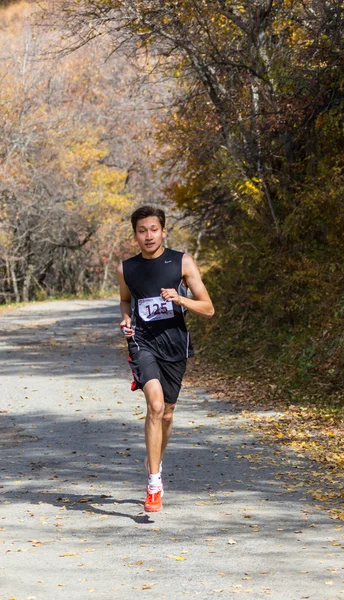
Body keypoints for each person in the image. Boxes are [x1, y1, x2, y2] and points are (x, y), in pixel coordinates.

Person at [116, 205, 214, 512]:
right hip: (142, 342)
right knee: (155, 405)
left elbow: (208, 307)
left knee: (168, 413)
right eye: (142, 231)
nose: (148, 236)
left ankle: (154, 459)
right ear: (135, 235)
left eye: (153, 229)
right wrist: (125, 319)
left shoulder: (181, 261)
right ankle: (154, 483)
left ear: (164, 231)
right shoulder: (126, 268)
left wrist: (180, 297)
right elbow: (124, 300)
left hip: (175, 345)